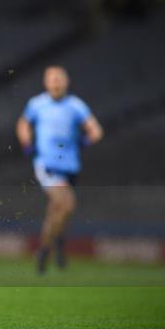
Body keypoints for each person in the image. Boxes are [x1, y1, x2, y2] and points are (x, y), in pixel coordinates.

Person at [16, 66, 103, 274]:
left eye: (59, 79)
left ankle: (49, 247)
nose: (55, 83)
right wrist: (27, 144)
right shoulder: (37, 104)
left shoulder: (75, 106)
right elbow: (23, 125)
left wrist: (84, 141)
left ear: (66, 82)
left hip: (70, 167)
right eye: (51, 79)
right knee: (66, 204)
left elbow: (96, 131)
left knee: (57, 211)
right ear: (46, 83)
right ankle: (53, 246)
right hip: (46, 165)